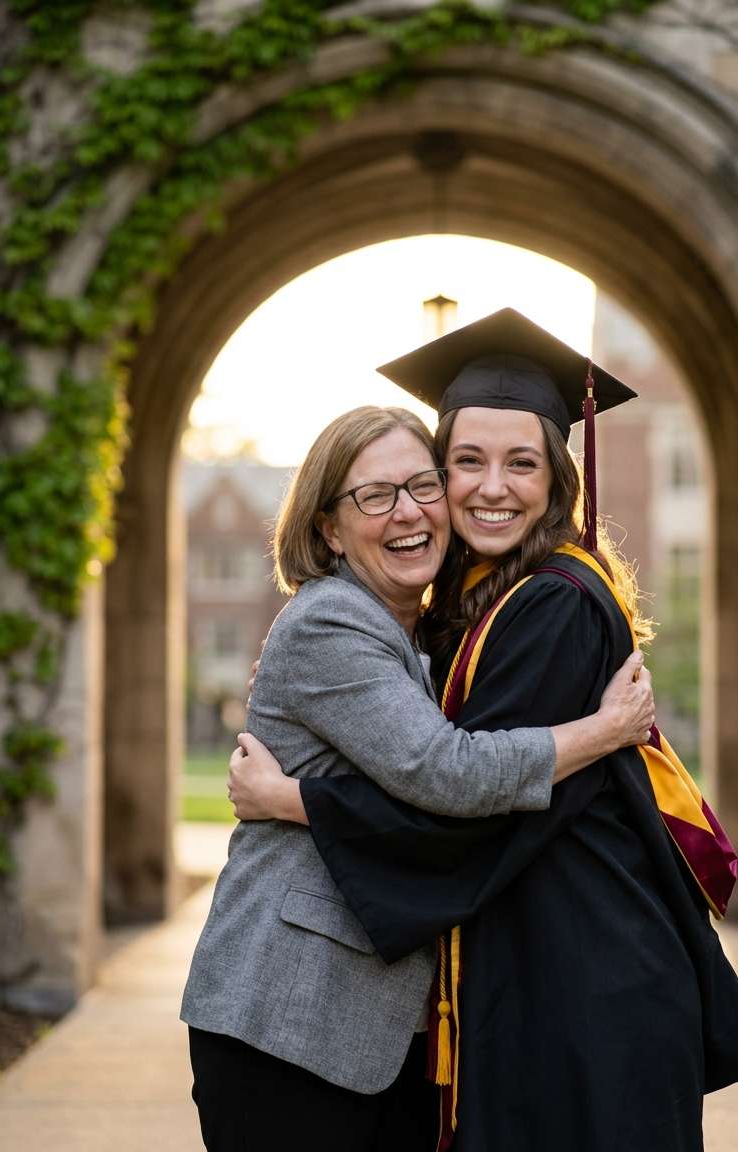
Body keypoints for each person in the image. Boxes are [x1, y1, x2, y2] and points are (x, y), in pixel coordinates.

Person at [232, 310, 738, 1152]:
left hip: (585, 991)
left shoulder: (552, 605)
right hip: (546, 974)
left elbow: (465, 801)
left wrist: (292, 798)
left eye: (522, 462)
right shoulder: (479, 600)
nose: (493, 487)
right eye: (466, 462)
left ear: (559, 477)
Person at [180, 402, 656, 1152]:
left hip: (370, 1033)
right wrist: (604, 731)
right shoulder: (333, 623)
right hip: (288, 1021)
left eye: (423, 485)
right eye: (374, 495)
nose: (409, 511)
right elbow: (448, 774)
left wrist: (291, 796)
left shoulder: (422, 630)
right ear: (328, 529)